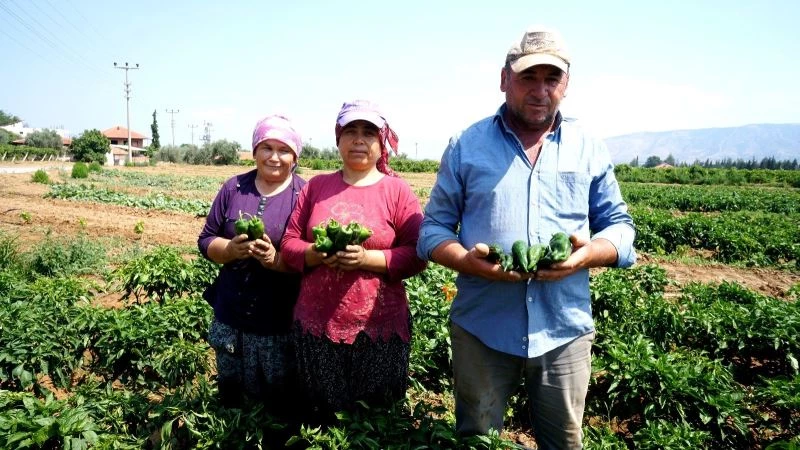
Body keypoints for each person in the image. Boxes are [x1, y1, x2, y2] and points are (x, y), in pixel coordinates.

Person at [416, 26, 636, 449]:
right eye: (527, 78)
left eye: (551, 79)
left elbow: (621, 228)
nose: (540, 90)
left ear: (566, 86)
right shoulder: (467, 144)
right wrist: (465, 260)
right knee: (478, 439)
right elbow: (433, 229)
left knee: (564, 441)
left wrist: (586, 255)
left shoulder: (588, 146)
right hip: (482, 327)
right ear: (504, 80)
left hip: (564, 329)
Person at [280, 100, 427, 420]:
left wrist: (366, 258)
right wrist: (314, 254)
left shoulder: (397, 191)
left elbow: (419, 252)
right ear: (338, 139)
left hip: (379, 329)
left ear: (381, 141)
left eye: (368, 133)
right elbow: (289, 244)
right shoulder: (316, 187)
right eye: (351, 131)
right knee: (322, 419)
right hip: (317, 325)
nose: (359, 139)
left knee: (374, 422)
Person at [198, 114, 306, 413]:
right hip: (231, 312)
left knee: (276, 401)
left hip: (279, 318)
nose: (274, 157)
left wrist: (277, 260)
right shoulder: (234, 188)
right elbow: (206, 240)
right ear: (255, 150)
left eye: (283, 149)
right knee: (232, 398)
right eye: (266, 147)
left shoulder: (304, 195)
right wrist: (230, 249)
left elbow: (311, 256)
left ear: (295, 156)